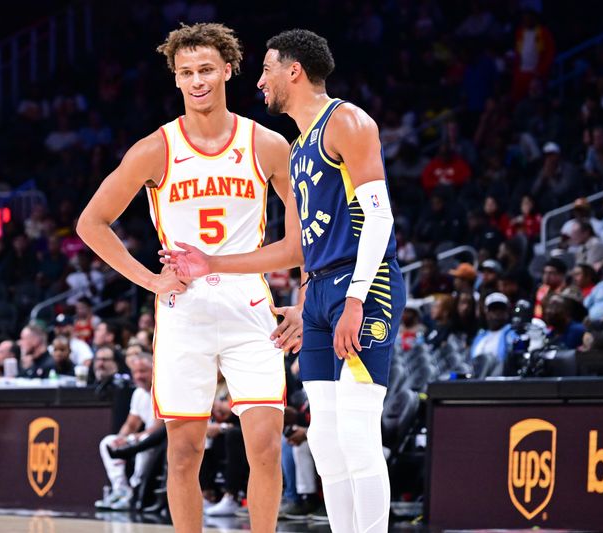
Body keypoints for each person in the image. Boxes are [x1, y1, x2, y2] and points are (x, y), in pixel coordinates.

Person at [165, 29, 405, 533]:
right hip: (317, 291)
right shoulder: (297, 149)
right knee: (323, 441)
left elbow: (379, 221)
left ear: (293, 70)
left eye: (267, 69)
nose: (260, 81)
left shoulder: (348, 120)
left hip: (363, 286)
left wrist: (356, 300)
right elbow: (302, 244)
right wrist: (300, 297)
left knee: (359, 435)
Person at [77, 23, 296, 532]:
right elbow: (92, 223)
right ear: (176, 79)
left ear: (227, 69)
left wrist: (305, 302)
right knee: (184, 451)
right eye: (186, 73)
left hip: (250, 304)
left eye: (205, 70)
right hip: (185, 310)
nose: (197, 80)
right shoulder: (155, 148)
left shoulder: (266, 143)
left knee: (264, 444)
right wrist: (150, 280)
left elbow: (309, 234)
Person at [96, 355, 164, 511]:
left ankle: (135, 489)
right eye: (136, 372)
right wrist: (121, 439)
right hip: (143, 437)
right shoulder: (139, 393)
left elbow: (159, 428)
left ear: (154, 371)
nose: (139, 376)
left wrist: (131, 439)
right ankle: (121, 489)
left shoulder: (161, 391)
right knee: (108, 442)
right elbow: (131, 423)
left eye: (143, 371)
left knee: (144, 442)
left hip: (159, 440)